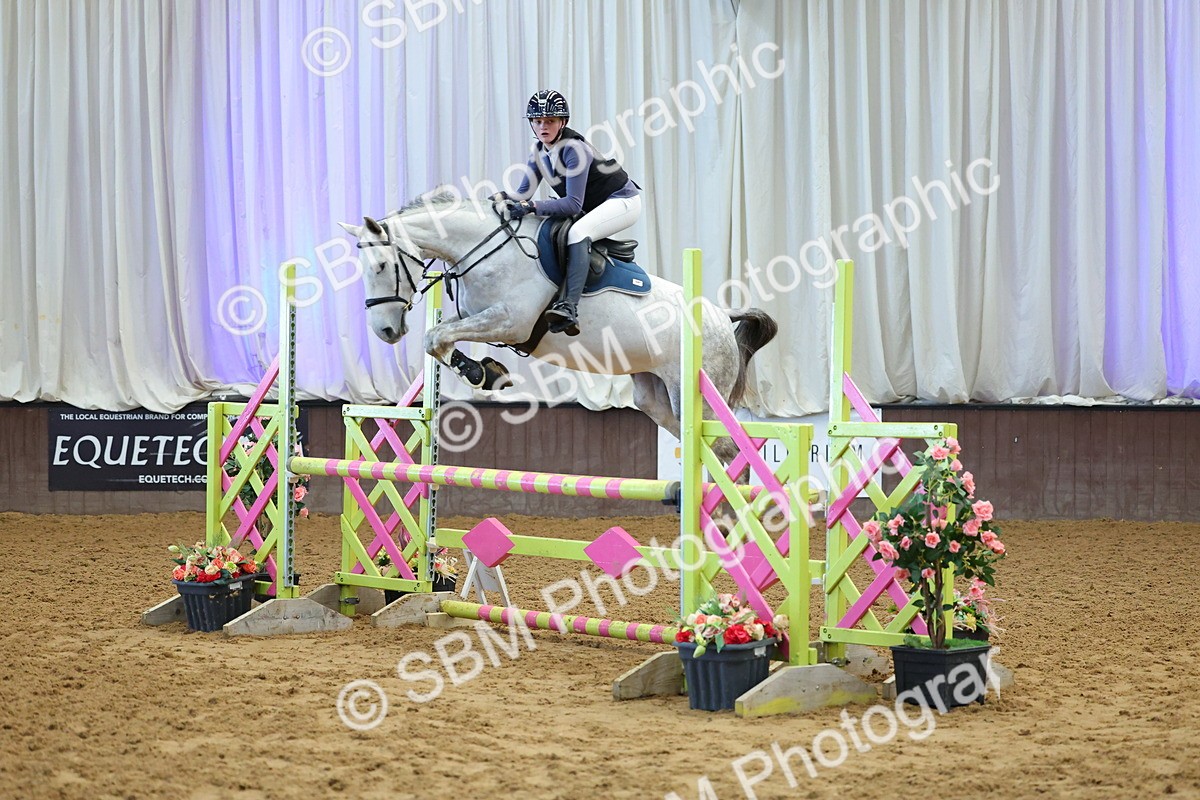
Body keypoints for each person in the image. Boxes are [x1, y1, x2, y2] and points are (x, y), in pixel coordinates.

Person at [493, 89, 641, 336]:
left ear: (563, 122)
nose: (543, 127)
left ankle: (569, 306)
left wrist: (531, 208)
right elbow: (523, 194)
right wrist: (498, 199)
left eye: (550, 121)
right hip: (595, 203)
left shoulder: (574, 149)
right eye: (537, 121)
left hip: (622, 202)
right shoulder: (539, 150)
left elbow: (572, 204)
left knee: (578, 232)